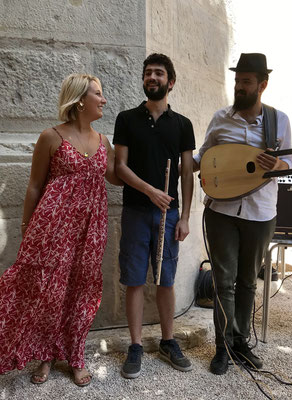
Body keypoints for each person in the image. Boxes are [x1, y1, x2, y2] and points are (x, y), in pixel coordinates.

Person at [0, 73, 122, 386]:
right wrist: (27, 229)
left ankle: (75, 355)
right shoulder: (51, 136)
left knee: (84, 291)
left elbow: (115, 175)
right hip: (52, 229)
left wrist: (153, 164)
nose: (103, 100)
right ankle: (45, 354)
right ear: (80, 99)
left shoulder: (103, 141)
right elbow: (34, 187)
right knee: (49, 292)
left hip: (91, 231)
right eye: (98, 94)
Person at [192, 53, 292, 375]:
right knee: (224, 282)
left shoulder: (279, 122)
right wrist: (183, 165)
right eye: (237, 80)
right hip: (221, 210)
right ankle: (222, 347)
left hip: (261, 212)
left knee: (248, 282)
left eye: (246, 82)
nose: (239, 86)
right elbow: (204, 156)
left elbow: (288, 164)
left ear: (262, 85)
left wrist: (278, 165)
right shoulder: (221, 118)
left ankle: (240, 343)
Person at [113, 53, 195, 379]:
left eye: (159, 73)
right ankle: (135, 345)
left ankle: (167, 340)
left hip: (169, 216)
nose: (152, 77)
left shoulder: (183, 125)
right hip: (135, 210)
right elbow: (120, 167)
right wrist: (150, 190)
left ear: (170, 82)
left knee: (166, 279)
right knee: (134, 279)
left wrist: (185, 217)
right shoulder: (126, 119)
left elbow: (187, 174)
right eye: (148, 73)